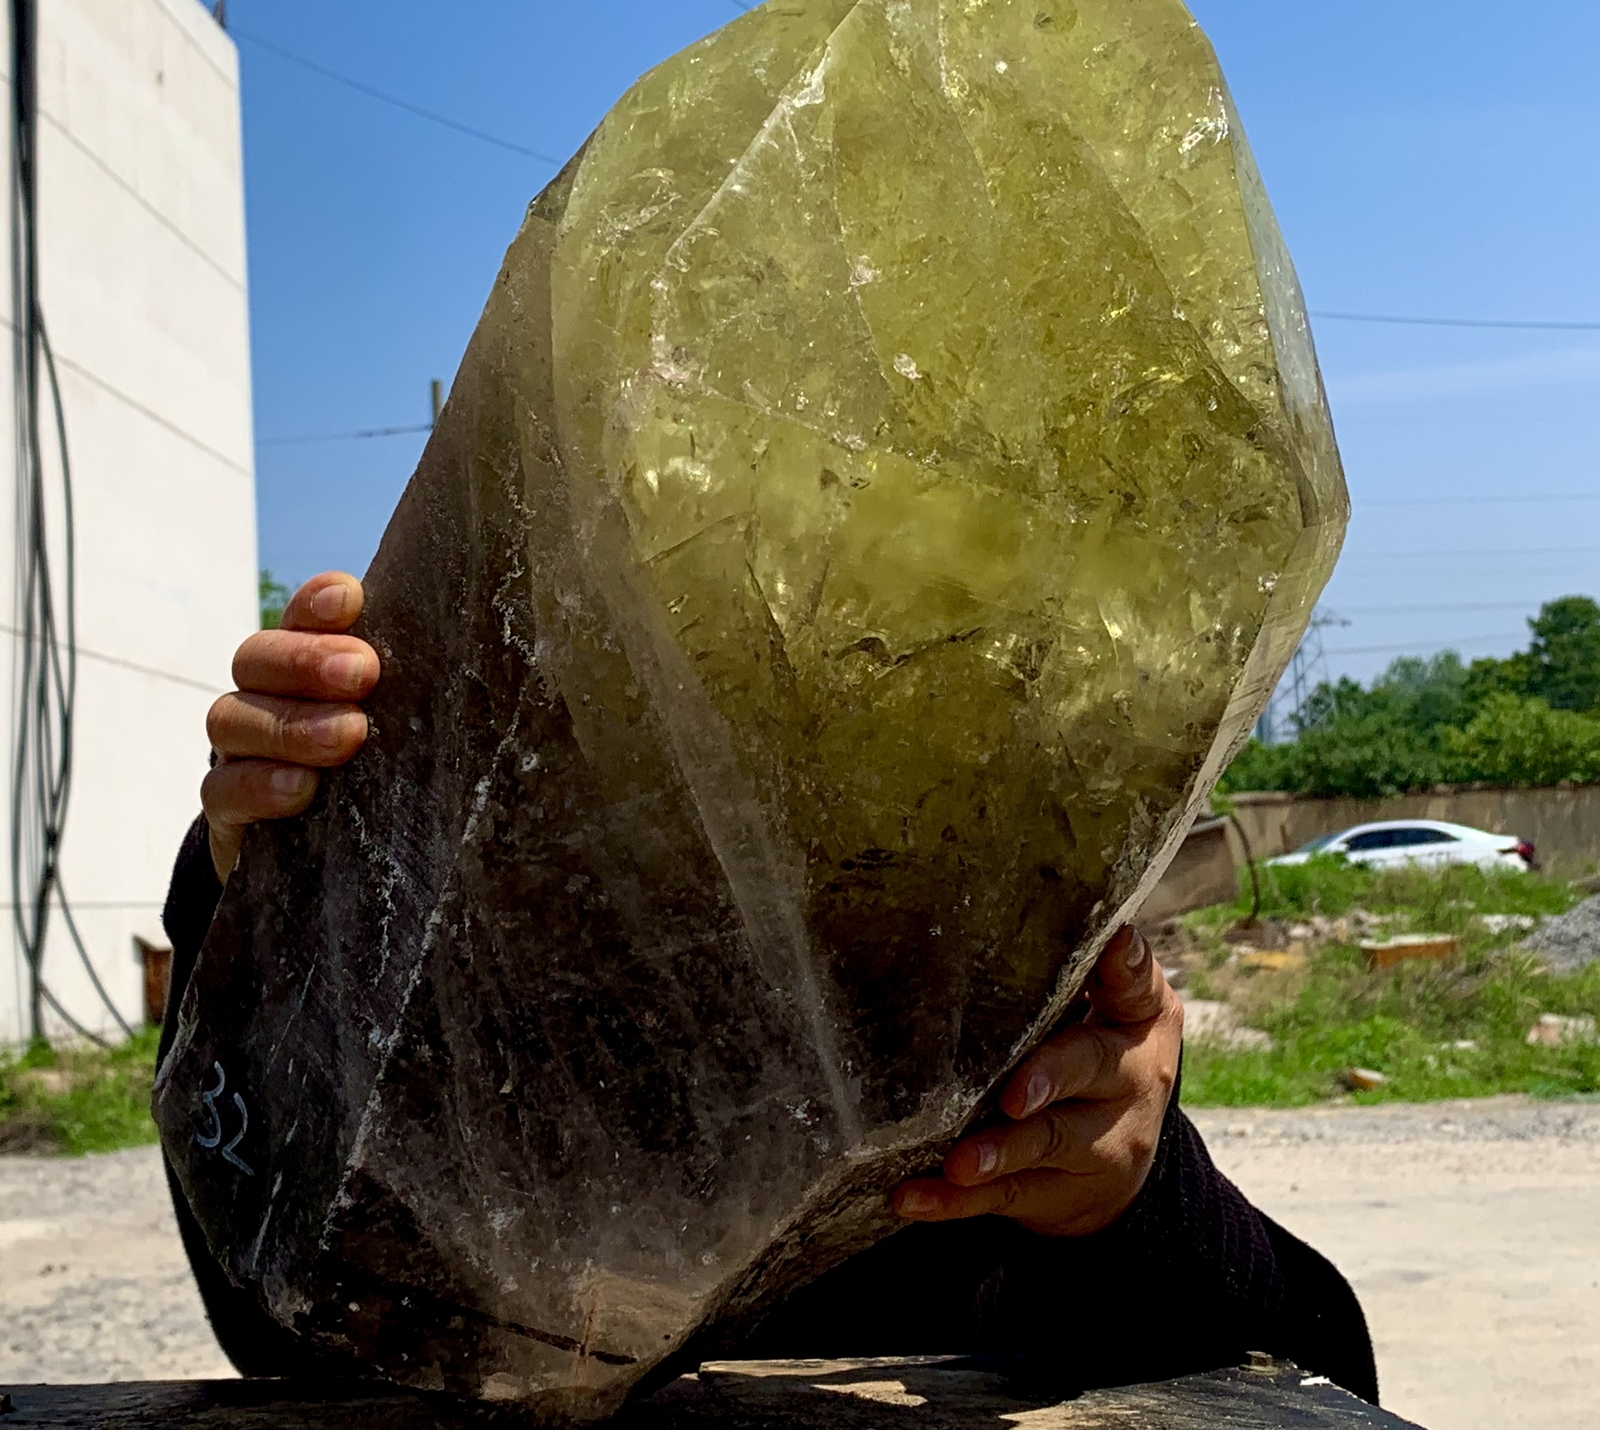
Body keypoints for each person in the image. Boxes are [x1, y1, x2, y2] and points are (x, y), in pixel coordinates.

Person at [165, 570, 1378, 1400]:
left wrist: (1125, 1199)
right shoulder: (474, 1006)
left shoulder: (982, 1052)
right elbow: (279, 1320)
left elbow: (1322, 1370)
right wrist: (273, 922)